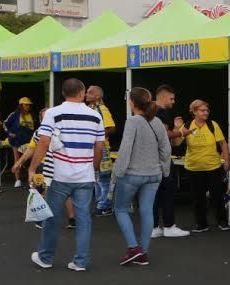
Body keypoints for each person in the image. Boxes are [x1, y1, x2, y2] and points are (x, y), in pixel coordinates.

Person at [30, 78, 103, 272]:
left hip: (60, 176)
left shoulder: (53, 113)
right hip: (85, 175)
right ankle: (80, 262)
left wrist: (32, 168)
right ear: (82, 92)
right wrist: (93, 168)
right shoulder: (95, 115)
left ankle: (45, 257)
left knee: (52, 217)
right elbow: (99, 145)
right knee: (83, 218)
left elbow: (43, 142)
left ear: (63, 93)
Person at [110, 87, 171, 266]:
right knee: (146, 210)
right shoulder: (157, 122)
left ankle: (133, 248)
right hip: (154, 174)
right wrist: (164, 170)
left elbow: (125, 149)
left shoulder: (133, 121)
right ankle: (143, 252)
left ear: (132, 102)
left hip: (132, 174)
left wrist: (117, 173)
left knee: (120, 209)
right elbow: (166, 149)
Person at [181, 99, 230, 233]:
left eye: (207, 110)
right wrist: (177, 127)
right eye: (202, 110)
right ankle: (201, 224)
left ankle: (222, 222)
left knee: (217, 196)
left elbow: (223, 144)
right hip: (193, 168)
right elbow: (175, 142)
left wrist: (227, 160)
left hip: (212, 167)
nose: (206, 113)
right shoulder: (187, 125)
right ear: (194, 112)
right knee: (198, 198)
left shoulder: (212, 125)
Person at [150, 85, 190, 240]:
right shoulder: (161, 112)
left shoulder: (148, 111)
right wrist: (180, 131)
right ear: (163, 97)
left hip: (151, 159)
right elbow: (163, 135)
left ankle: (153, 227)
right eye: (171, 98)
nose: (173, 102)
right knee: (167, 193)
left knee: (153, 194)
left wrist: (176, 129)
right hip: (162, 160)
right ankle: (169, 226)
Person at [86, 85, 116, 216]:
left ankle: (105, 206)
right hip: (91, 148)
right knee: (95, 177)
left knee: (103, 178)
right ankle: (100, 204)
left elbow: (112, 128)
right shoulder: (88, 109)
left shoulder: (102, 109)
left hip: (102, 148)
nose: (86, 94)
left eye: (89, 92)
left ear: (97, 96)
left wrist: (96, 135)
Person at [4, 97, 36, 188]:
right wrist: (10, 133)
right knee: (17, 159)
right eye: (26, 105)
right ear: (21, 105)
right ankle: (17, 180)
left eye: (29, 105)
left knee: (32, 159)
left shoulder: (32, 115)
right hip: (17, 141)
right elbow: (5, 124)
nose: (28, 106)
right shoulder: (14, 114)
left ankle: (32, 179)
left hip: (29, 140)